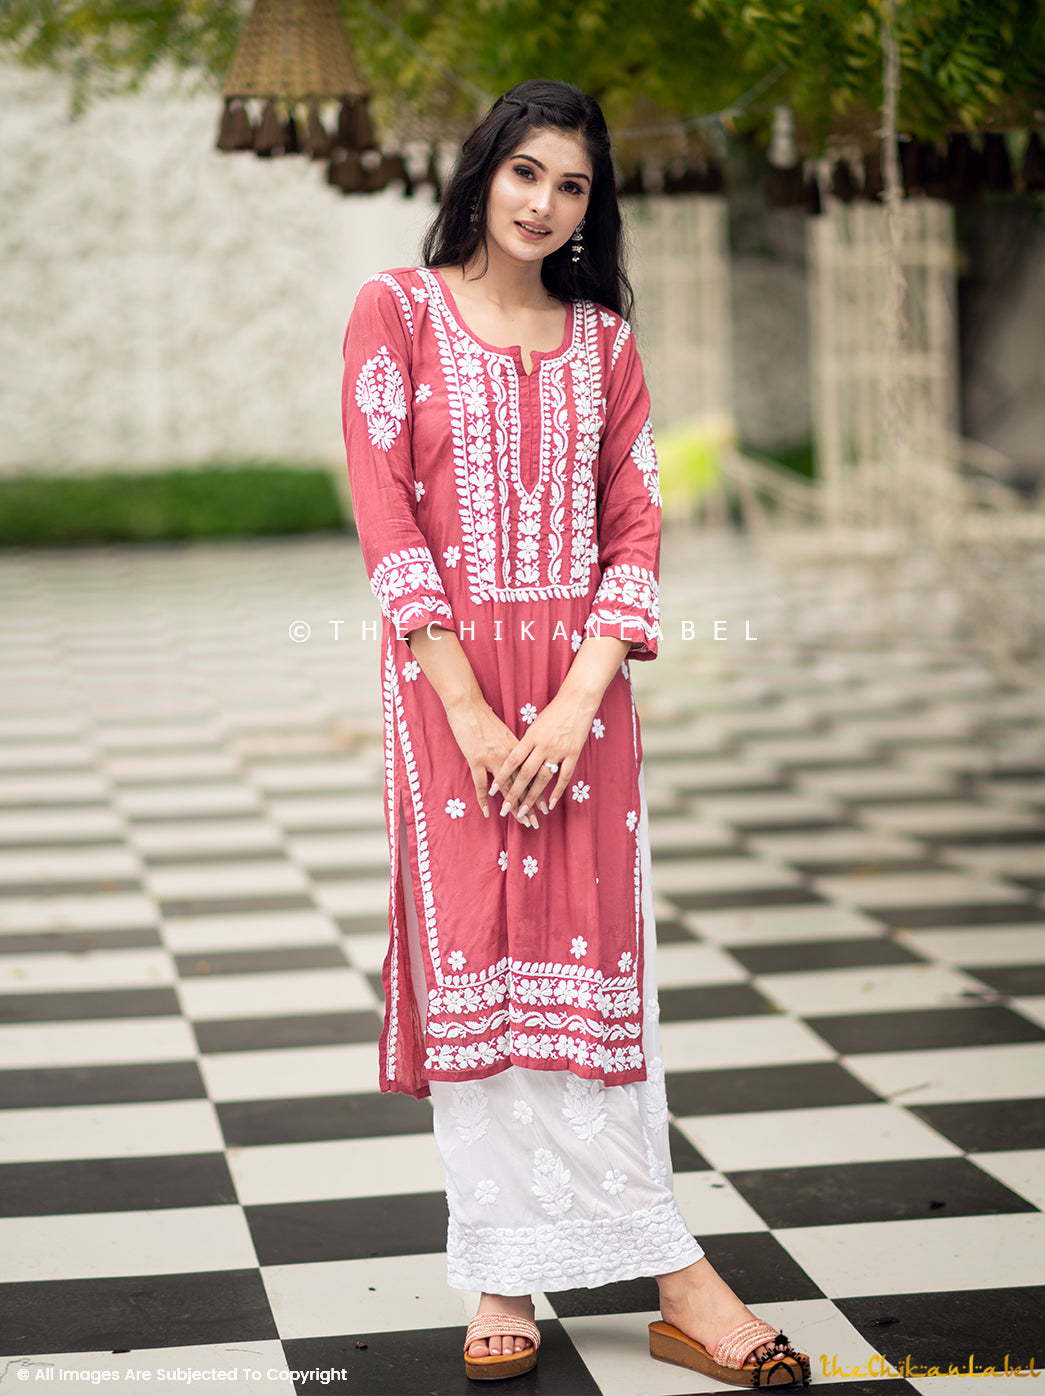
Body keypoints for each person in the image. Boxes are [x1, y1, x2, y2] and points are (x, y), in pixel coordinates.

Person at [340, 78, 810, 1388]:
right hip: (449, 702)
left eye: (573, 185)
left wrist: (573, 699)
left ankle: (670, 1269)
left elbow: (635, 529)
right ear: (482, 171)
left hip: (582, 710)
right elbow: (387, 517)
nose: (545, 203)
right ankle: (500, 1267)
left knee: (595, 979)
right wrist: (472, 712)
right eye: (526, 172)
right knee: (482, 968)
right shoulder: (394, 312)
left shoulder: (605, 343)